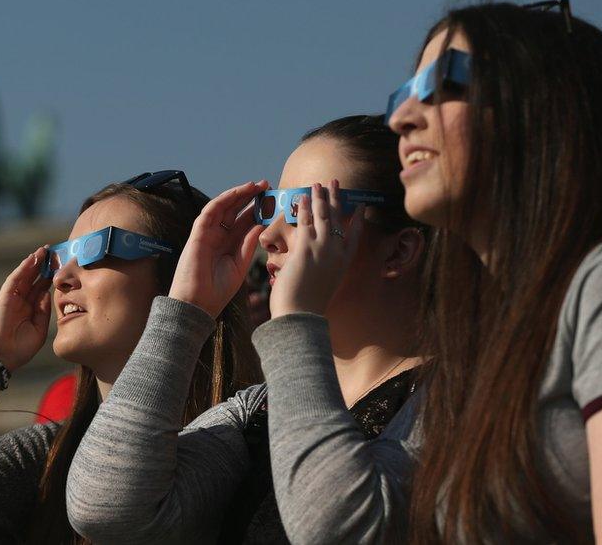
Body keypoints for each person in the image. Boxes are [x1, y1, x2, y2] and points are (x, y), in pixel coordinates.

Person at [237, 2, 602, 544]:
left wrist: (297, 319)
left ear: (546, 104)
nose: (403, 117)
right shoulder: (475, 351)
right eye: (404, 94)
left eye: (444, 82)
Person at [0, 171, 261, 544]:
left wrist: (187, 312)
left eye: (96, 250)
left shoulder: (247, 434)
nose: (62, 278)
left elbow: (112, 497)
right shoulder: (44, 459)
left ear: (181, 272)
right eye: (59, 258)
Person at [66, 115, 427, 543]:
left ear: (399, 250)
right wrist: (186, 308)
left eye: (304, 211)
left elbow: (335, 526)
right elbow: (104, 508)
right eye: (272, 207)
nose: (268, 236)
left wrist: (296, 317)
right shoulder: (255, 412)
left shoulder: (457, 396)